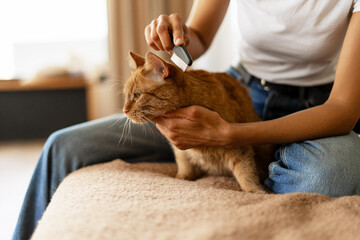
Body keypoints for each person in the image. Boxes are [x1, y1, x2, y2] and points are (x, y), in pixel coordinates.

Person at [13, 0, 360, 239]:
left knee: (332, 174)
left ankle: (261, 159)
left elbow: (343, 109)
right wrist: (177, 36)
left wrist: (230, 136)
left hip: (318, 106)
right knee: (63, 145)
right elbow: (199, 37)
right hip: (240, 89)